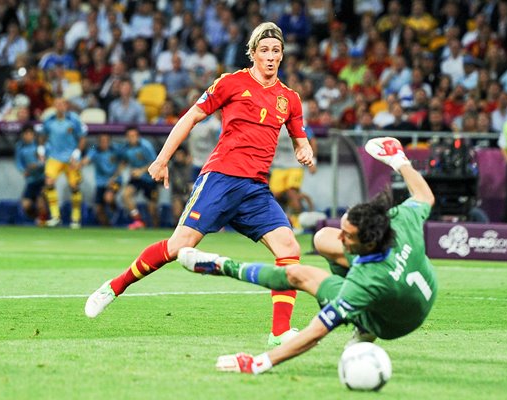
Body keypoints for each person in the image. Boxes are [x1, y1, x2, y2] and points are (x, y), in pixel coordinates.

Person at [85, 22, 314, 346]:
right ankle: (115, 286)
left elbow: (300, 138)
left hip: (255, 190)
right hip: (220, 179)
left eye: (276, 50)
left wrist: (304, 149)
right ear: (252, 53)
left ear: (282, 55)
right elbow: (190, 117)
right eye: (264, 50)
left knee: (289, 248)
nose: (271, 56)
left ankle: (279, 333)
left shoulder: (289, 98)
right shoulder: (231, 83)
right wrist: (162, 159)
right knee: (178, 247)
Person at [177, 136, 437, 374]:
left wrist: (259, 363)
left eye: (348, 236)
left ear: (368, 243)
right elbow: (425, 196)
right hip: (419, 289)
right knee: (323, 239)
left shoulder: (365, 283)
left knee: (297, 274)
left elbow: (314, 333)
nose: (342, 237)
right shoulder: (400, 220)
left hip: (392, 323)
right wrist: (398, 160)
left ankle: (222, 265)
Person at [40, 97, 88, 228]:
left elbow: (83, 137)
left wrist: (77, 152)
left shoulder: (74, 119)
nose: (60, 106)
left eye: (62, 104)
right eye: (57, 104)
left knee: (74, 186)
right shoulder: (49, 120)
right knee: (49, 182)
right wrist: (41, 149)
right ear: (54, 106)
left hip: (70, 158)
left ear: (66, 106)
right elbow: (42, 135)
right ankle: (55, 216)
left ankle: (76, 218)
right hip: (54, 156)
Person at [119, 126, 159, 229]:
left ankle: (156, 229)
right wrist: (115, 175)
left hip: (150, 178)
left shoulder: (146, 146)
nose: (132, 138)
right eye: (129, 136)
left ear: (138, 136)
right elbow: (124, 161)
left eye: (134, 135)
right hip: (136, 178)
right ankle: (138, 220)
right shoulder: (125, 148)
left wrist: (141, 171)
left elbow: (154, 162)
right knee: (126, 195)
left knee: (152, 209)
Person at [81, 134, 122, 226]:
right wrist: (79, 164)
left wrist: (115, 176)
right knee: (98, 209)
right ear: (99, 141)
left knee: (108, 197)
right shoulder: (94, 149)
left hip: (115, 180)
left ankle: (116, 211)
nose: (104, 143)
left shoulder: (116, 149)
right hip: (101, 182)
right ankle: (107, 226)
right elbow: (86, 160)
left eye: (106, 140)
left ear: (109, 141)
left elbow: (124, 161)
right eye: (102, 140)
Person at [15, 125, 47, 224]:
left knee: (41, 204)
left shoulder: (39, 145)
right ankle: (36, 219)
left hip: (42, 179)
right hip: (30, 181)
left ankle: (43, 222)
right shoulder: (19, 146)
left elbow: (45, 162)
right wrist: (23, 170)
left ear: (33, 135)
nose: (28, 136)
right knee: (25, 205)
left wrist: (36, 166)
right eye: (26, 134)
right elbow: (18, 162)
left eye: (30, 133)